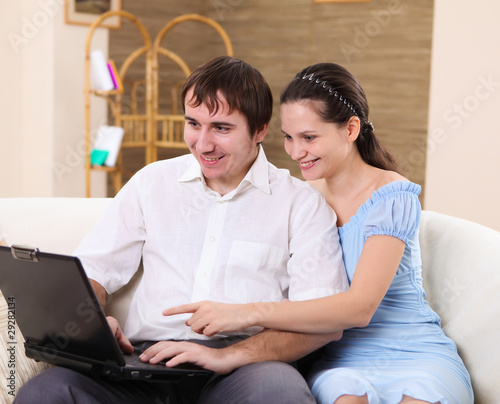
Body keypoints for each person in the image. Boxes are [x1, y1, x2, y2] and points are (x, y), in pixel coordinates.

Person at [15, 57, 348, 404]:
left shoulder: (300, 204)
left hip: (247, 365)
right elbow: (91, 274)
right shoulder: (152, 183)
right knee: (47, 392)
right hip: (146, 364)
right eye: (193, 123)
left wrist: (226, 356)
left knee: (278, 394)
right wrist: (94, 326)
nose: (203, 144)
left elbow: (323, 320)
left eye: (221, 128)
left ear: (260, 129)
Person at [166, 62, 474, 404]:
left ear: (351, 129)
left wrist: (247, 312)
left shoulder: (391, 195)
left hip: (413, 352)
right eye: (288, 137)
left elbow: (360, 308)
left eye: (309, 138)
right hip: (341, 359)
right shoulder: (303, 201)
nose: (296, 152)